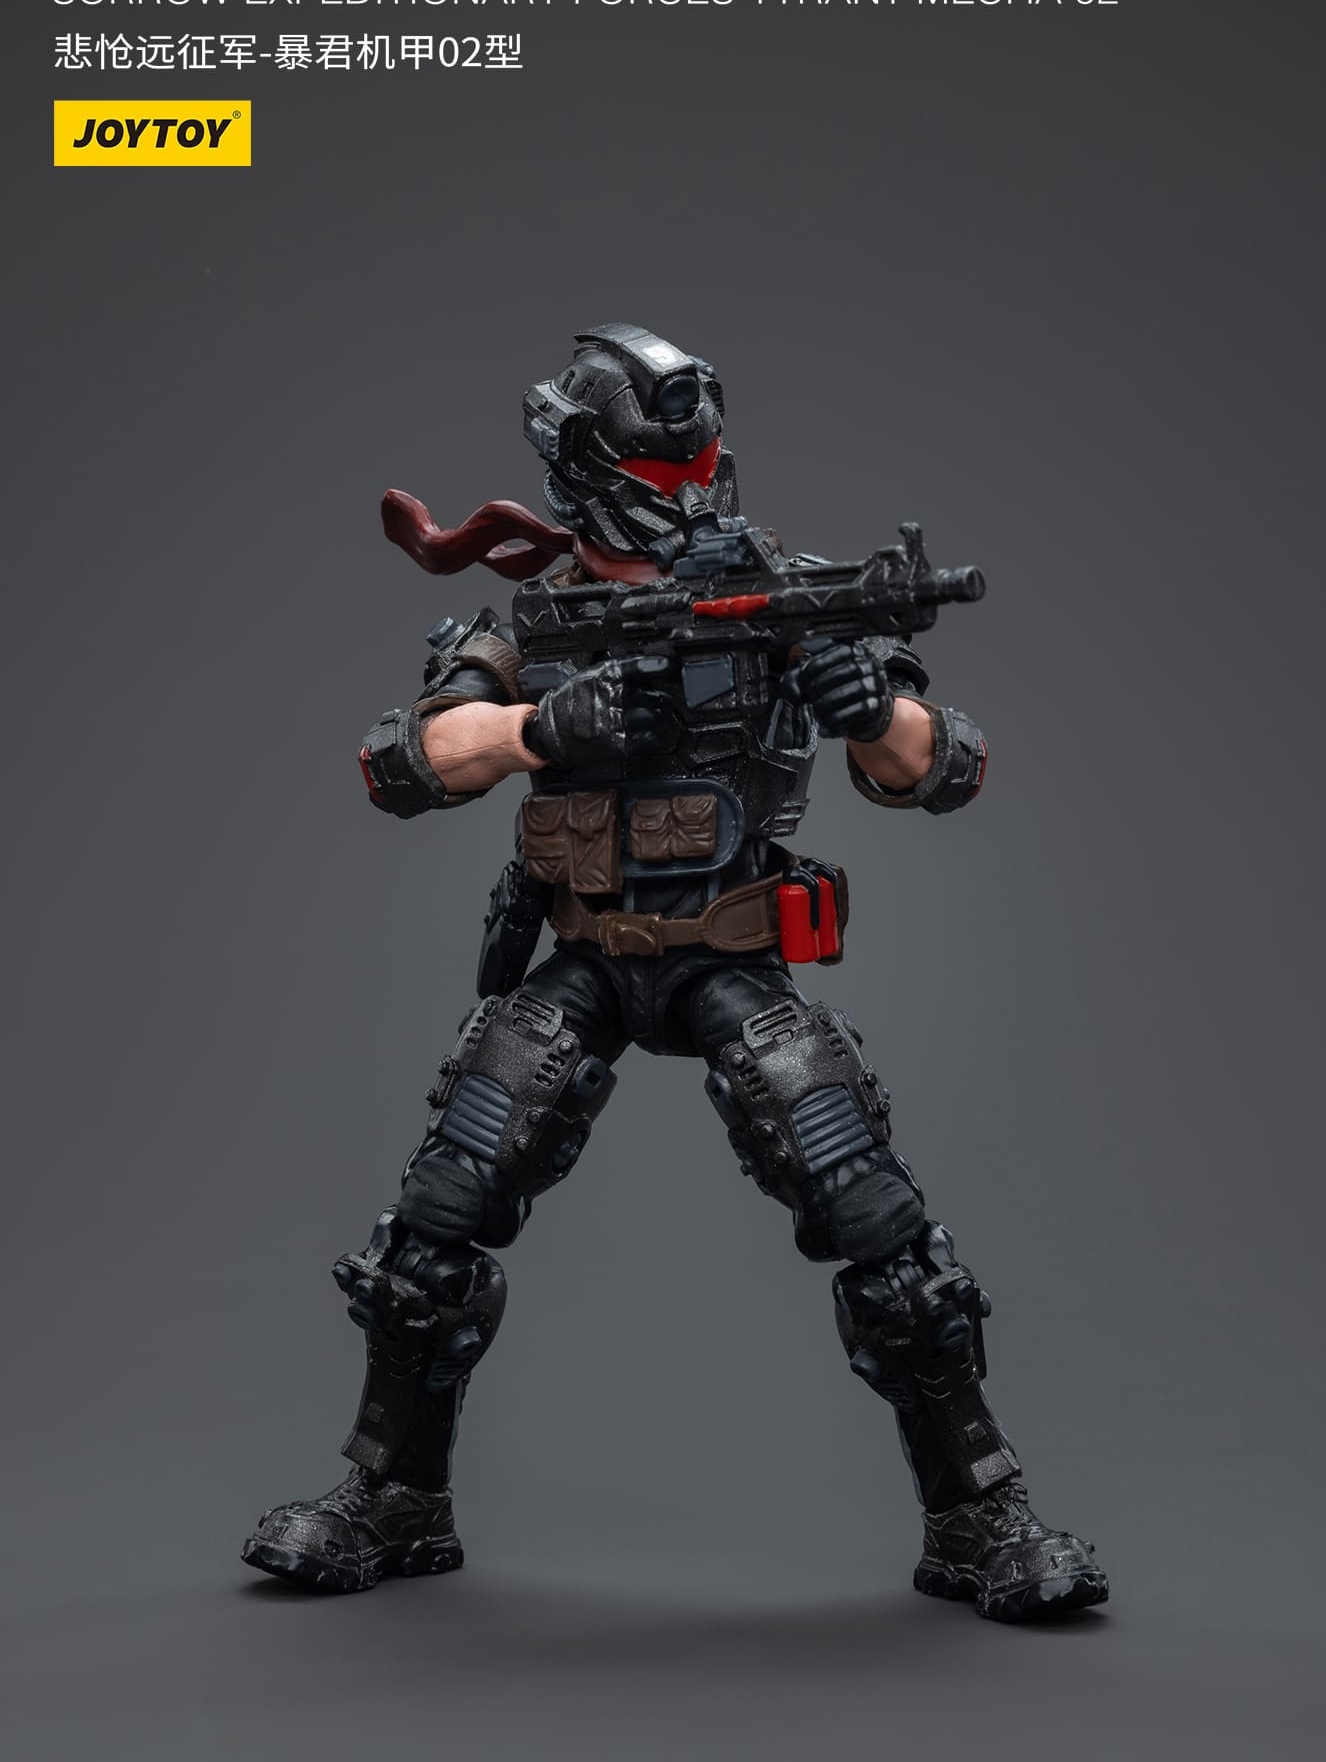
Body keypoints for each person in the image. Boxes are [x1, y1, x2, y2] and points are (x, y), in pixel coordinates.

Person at [242, 324, 1107, 1622]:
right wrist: (538, 728)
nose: (692, 486)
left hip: (727, 956)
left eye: (700, 460)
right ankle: (393, 1496)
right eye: (663, 467)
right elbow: (402, 761)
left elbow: (947, 767)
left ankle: (978, 1515)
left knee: (874, 1216)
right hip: (584, 955)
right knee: (435, 1217)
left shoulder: (782, 594)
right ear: (587, 469)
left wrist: (869, 708)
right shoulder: (539, 615)